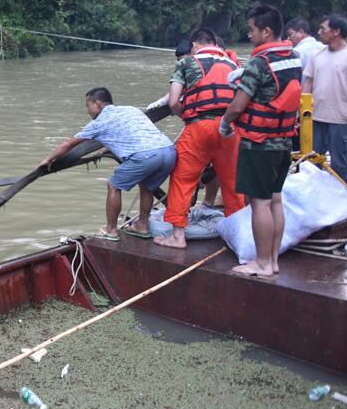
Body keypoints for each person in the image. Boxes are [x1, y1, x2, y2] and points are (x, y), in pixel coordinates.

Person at [220, 5, 302, 277]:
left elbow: (237, 105)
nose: (249, 34)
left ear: (267, 31)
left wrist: (225, 124)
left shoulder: (259, 63)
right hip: (284, 143)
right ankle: (273, 261)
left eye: (252, 29)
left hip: (259, 144)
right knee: (275, 200)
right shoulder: (294, 57)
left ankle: (263, 263)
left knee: (260, 203)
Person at [38, 87, 176, 239]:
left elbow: (68, 145)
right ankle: (142, 226)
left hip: (147, 155)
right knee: (147, 187)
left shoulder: (100, 122)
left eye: (88, 105)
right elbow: (134, 133)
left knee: (114, 186)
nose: (88, 110)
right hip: (168, 151)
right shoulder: (130, 109)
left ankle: (110, 230)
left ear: (98, 104)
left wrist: (47, 159)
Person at [154, 29, 245, 249]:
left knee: (183, 178)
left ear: (195, 44)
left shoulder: (186, 63)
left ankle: (177, 236)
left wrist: (186, 115)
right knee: (232, 182)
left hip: (198, 127)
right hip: (229, 128)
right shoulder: (234, 65)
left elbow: (174, 101)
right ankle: (237, 233)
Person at [302, 14, 347, 184]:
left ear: (336, 31)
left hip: (342, 119)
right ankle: (315, 202)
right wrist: (301, 112)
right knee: (312, 163)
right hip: (316, 119)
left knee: (340, 164)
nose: (319, 32)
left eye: (323, 28)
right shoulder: (317, 55)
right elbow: (308, 82)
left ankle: (344, 203)